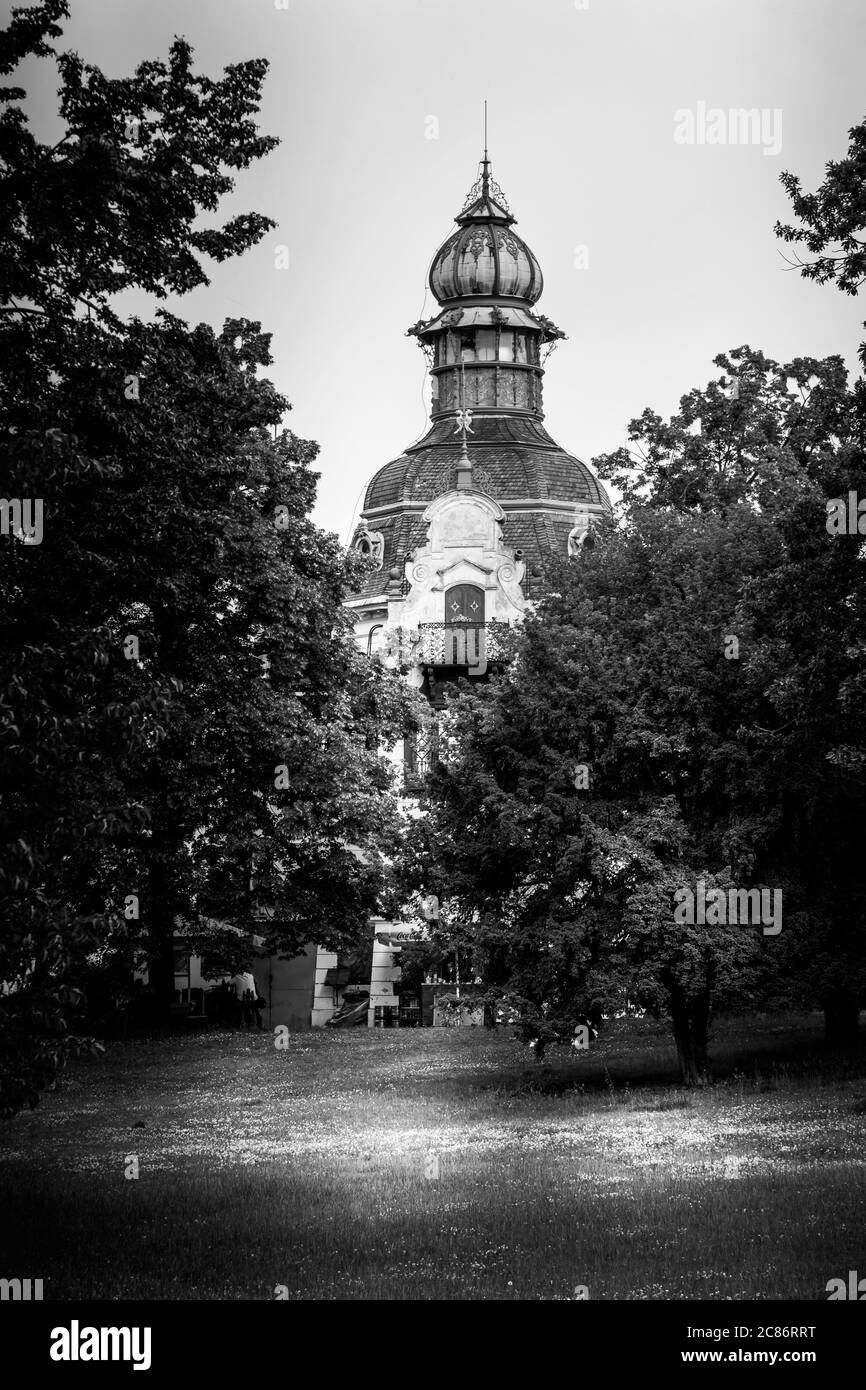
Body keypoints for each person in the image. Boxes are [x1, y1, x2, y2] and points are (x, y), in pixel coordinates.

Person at [229, 963, 260, 1030]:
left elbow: (228, 983)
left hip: (241, 1000)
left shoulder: (237, 977)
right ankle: (257, 1023)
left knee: (235, 1004)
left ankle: (238, 1023)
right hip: (253, 999)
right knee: (255, 1008)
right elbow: (256, 983)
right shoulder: (251, 976)